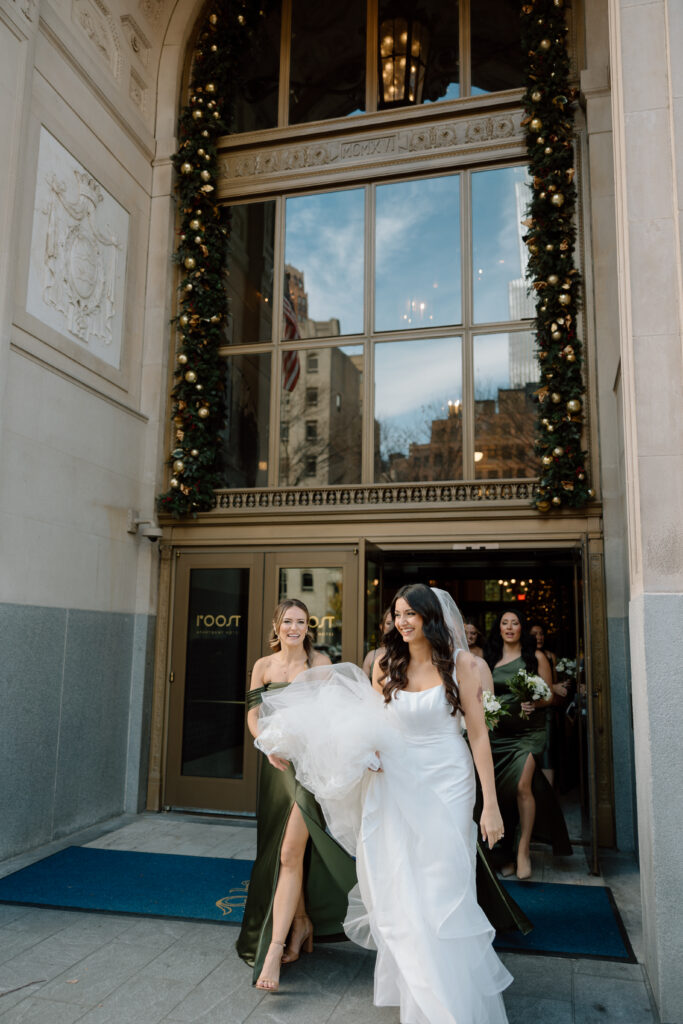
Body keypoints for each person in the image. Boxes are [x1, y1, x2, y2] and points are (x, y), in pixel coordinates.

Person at [255, 584, 513, 1023]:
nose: (404, 621)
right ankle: (422, 995)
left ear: (431, 616)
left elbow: (479, 735)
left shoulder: (465, 665)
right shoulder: (385, 665)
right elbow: (374, 722)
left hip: (447, 781)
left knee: (442, 886)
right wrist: (367, 753)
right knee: (396, 886)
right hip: (392, 781)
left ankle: (452, 999)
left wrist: (491, 804)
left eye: (412, 613)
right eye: (398, 614)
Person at [236, 599, 357, 991]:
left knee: (291, 852)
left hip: (306, 770)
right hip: (274, 767)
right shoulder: (263, 665)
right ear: (276, 624)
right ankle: (301, 923)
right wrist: (266, 744)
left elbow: (331, 718)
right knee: (282, 852)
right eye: (287, 621)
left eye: (301, 622)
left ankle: (273, 948)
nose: (293, 628)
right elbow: (252, 714)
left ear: (309, 627)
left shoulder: (319, 665)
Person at [484, 608, 572, 881]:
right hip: (498, 735)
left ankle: (523, 851)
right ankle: (504, 854)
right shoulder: (490, 660)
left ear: (522, 628)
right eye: (504, 623)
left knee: (523, 785)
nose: (509, 627)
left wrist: (533, 702)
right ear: (499, 628)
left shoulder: (535, 658)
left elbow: (550, 696)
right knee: (500, 794)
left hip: (528, 735)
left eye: (515, 623)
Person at [529, 621, 568, 787]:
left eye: (541, 634)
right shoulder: (524, 655)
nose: (539, 637)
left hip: (548, 710)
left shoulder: (550, 656)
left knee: (548, 751)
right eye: (534, 634)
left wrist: (558, 686)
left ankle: (549, 796)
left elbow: (551, 682)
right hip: (529, 709)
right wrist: (554, 687)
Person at [361, 606, 393, 679]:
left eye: (394, 622)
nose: (392, 627)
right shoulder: (371, 656)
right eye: (388, 623)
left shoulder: (409, 654)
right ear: (381, 627)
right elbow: (363, 686)